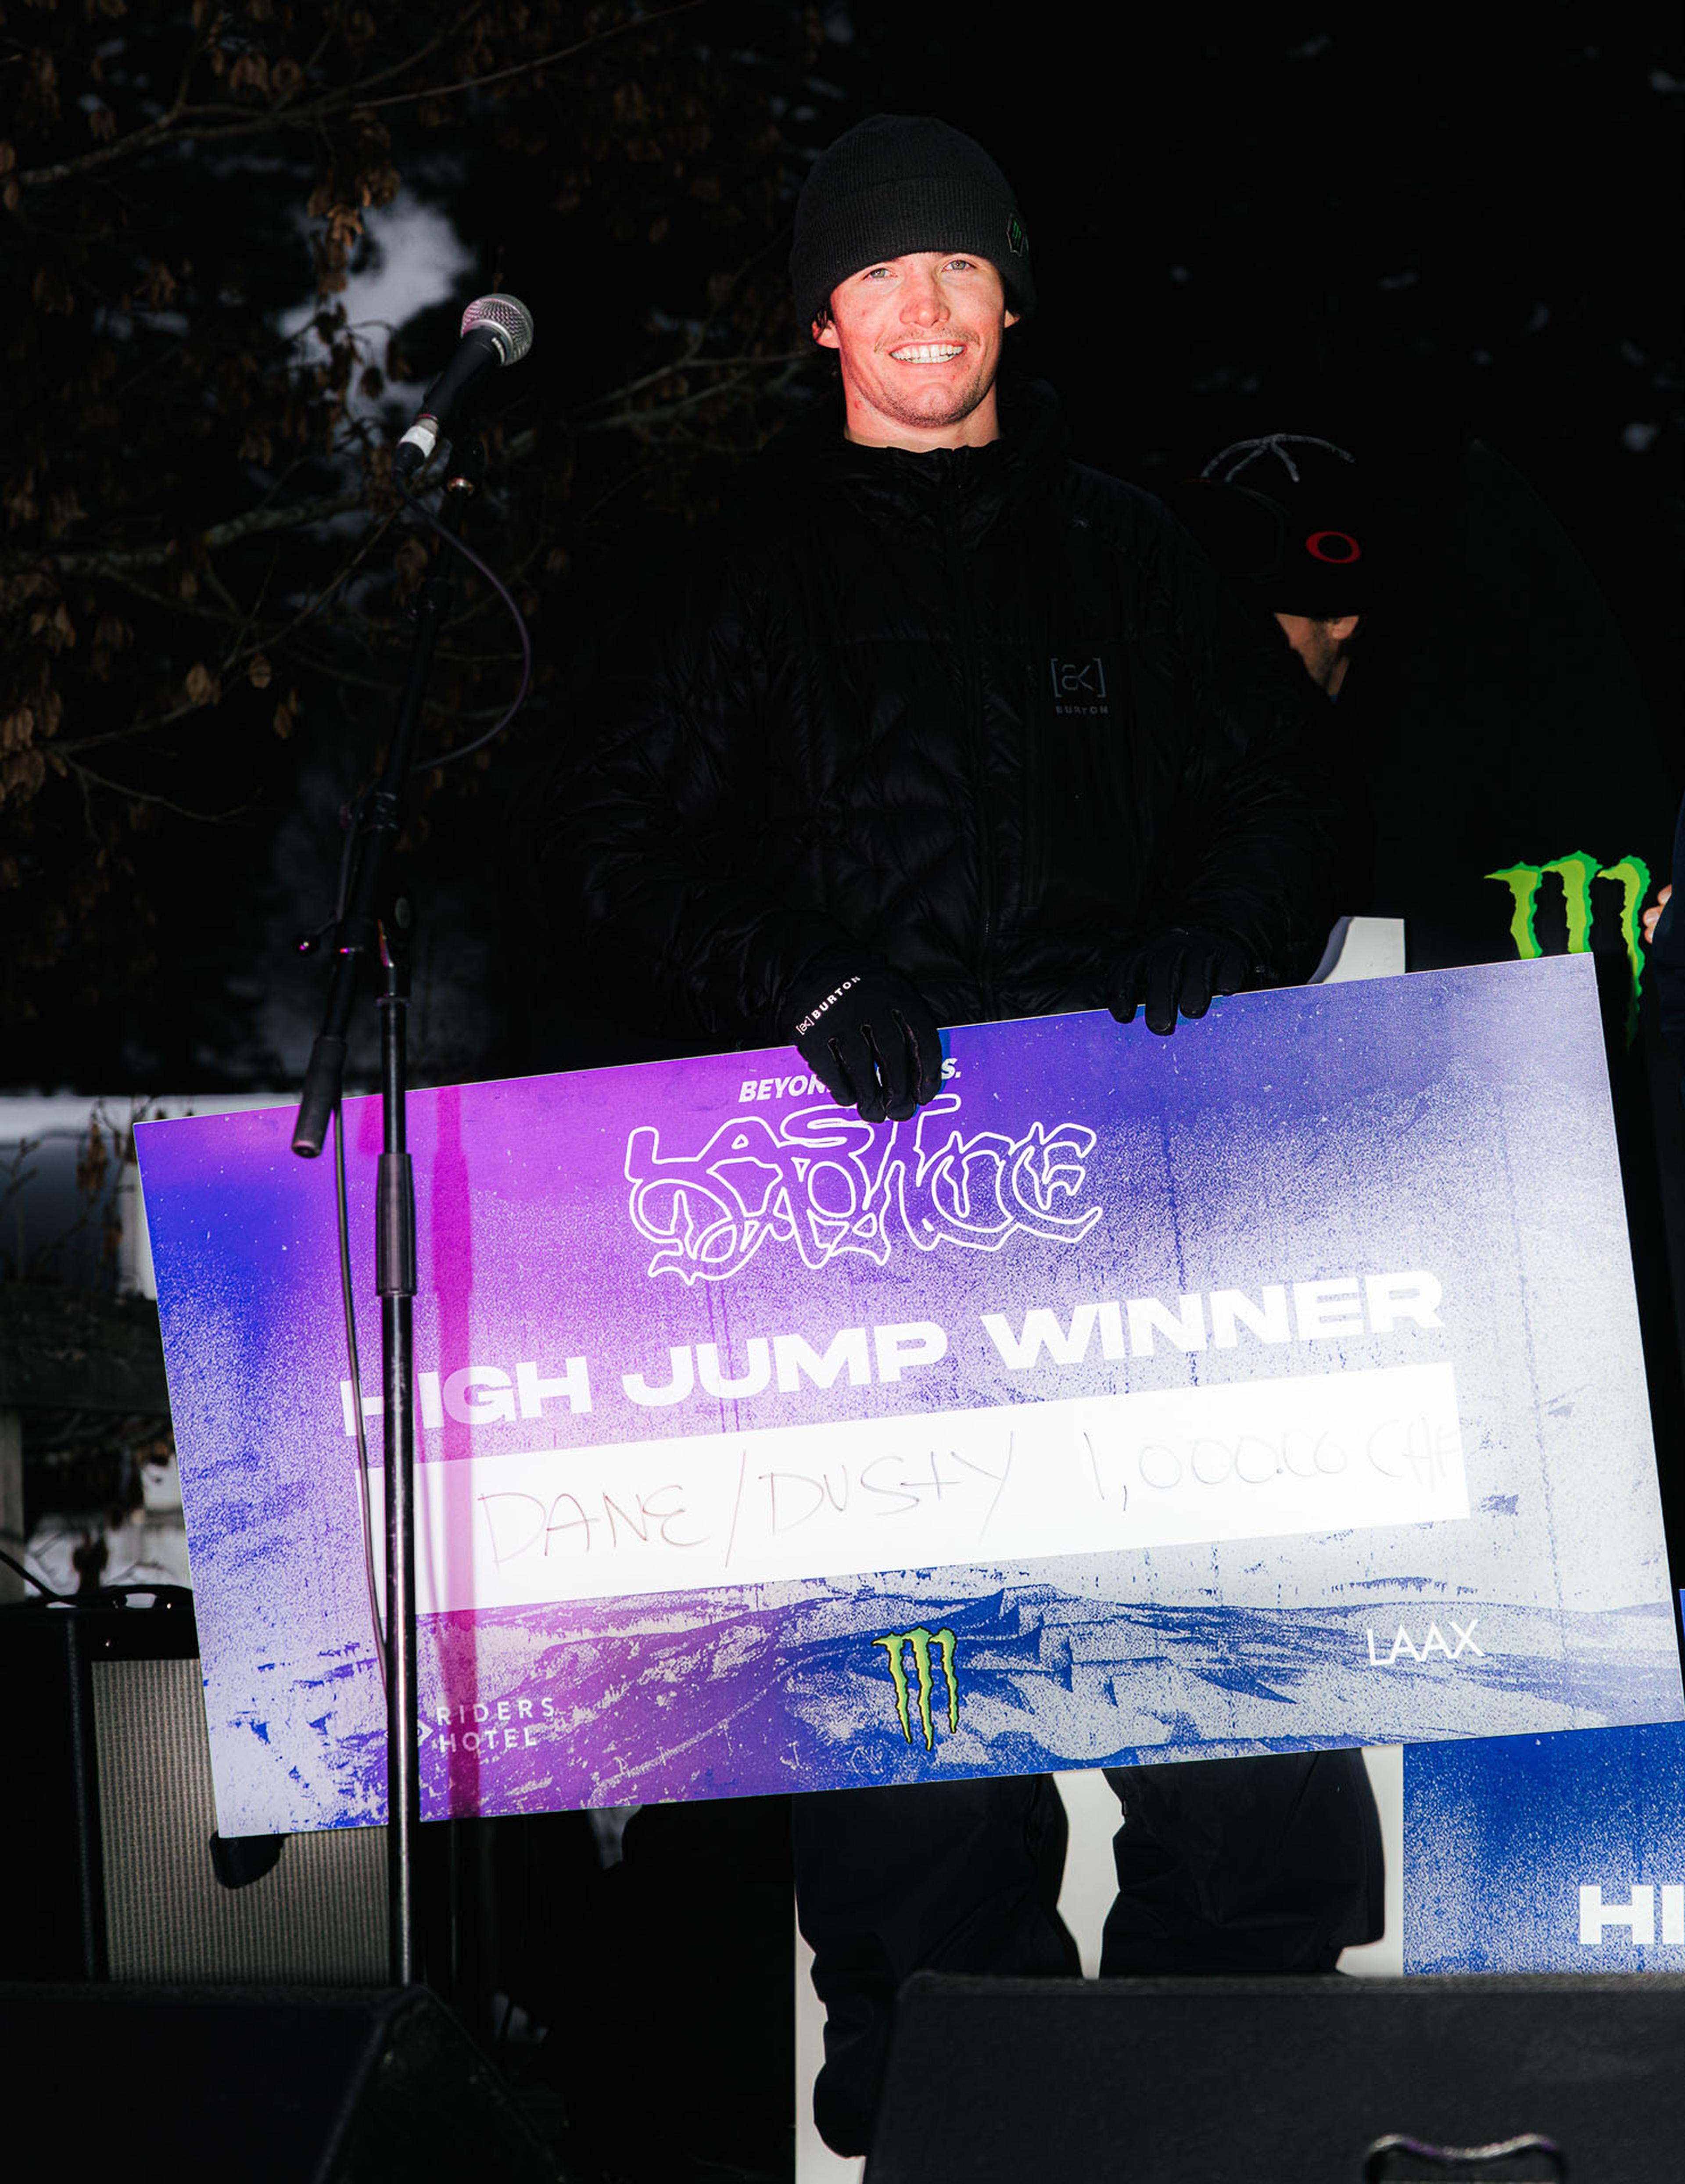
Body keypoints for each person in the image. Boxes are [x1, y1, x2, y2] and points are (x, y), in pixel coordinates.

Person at [552, 114, 1381, 2159]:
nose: (924, 306)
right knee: (922, 1800)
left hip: (1144, 1252)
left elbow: (1287, 795)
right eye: (880, 272)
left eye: (958, 267)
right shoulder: (745, 579)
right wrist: (799, 984)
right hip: (868, 1272)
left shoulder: (1131, 555)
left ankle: (1212, 2127)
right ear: (822, 320)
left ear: (1011, 297)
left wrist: (1220, 938)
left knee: (1242, 1767)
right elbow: (612, 842)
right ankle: (978, 2131)